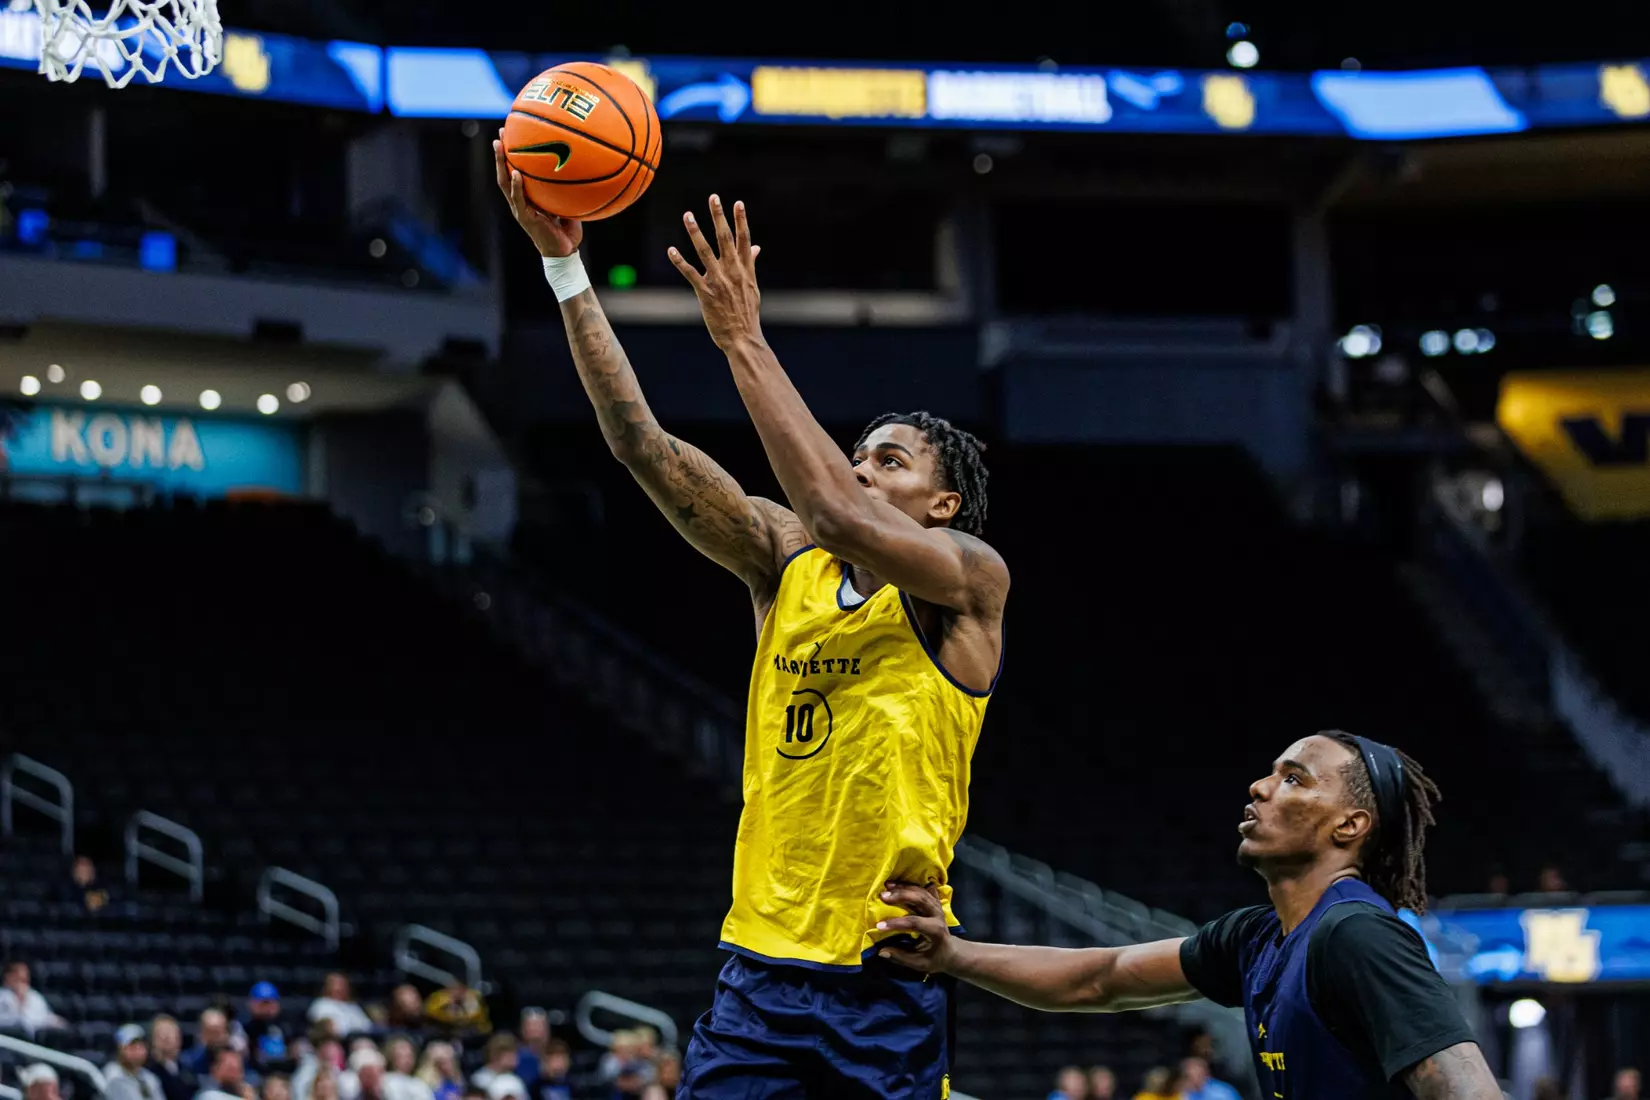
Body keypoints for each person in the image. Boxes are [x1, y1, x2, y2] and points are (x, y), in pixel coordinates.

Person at [495, 153, 1007, 1100]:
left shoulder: (968, 584)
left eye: (888, 461)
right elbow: (638, 441)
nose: (859, 470)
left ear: (941, 507)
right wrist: (565, 269)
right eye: (854, 455)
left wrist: (742, 341)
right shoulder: (787, 558)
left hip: (884, 971)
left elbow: (841, 514)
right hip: (760, 975)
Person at [878, 732, 1505, 1100]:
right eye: (1270, 774)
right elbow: (1105, 977)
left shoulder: (1357, 934)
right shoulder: (1256, 939)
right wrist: (953, 955)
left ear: (1350, 825)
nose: (1261, 788)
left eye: (1294, 779)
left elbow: (1467, 1091)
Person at [0, 961, 68, 1035]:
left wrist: (57, 1021)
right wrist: (20, 1002)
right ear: (7, 977)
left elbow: (45, 1017)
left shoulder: (34, 996)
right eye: (18, 978)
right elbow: (19, 1022)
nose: (21, 983)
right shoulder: (2, 996)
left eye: (24, 979)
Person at [106, 1024, 166, 1100]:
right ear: (120, 1049)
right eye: (132, 1046)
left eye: (141, 1045)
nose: (138, 1051)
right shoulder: (111, 1076)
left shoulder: (150, 1079)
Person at [241, 983, 289, 1078]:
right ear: (252, 1004)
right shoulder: (246, 1028)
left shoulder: (286, 1027)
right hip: (254, 1074)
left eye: (271, 1003)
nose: (267, 1008)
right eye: (263, 1003)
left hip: (283, 1074)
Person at [308, 975, 374, 1039]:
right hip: (332, 1042)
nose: (340, 988)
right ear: (328, 986)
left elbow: (367, 1026)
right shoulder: (320, 1004)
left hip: (357, 1040)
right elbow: (321, 1027)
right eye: (336, 985)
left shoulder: (352, 1006)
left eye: (343, 985)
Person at [150, 1015, 199, 1100]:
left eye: (170, 1033)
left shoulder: (186, 1069)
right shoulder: (148, 1070)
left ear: (179, 1038)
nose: (166, 1037)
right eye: (161, 1034)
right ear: (153, 1039)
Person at [184, 1010, 232, 1078]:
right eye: (210, 1033)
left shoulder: (235, 1058)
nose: (215, 1038)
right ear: (201, 1034)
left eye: (218, 1032)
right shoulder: (189, 1061)